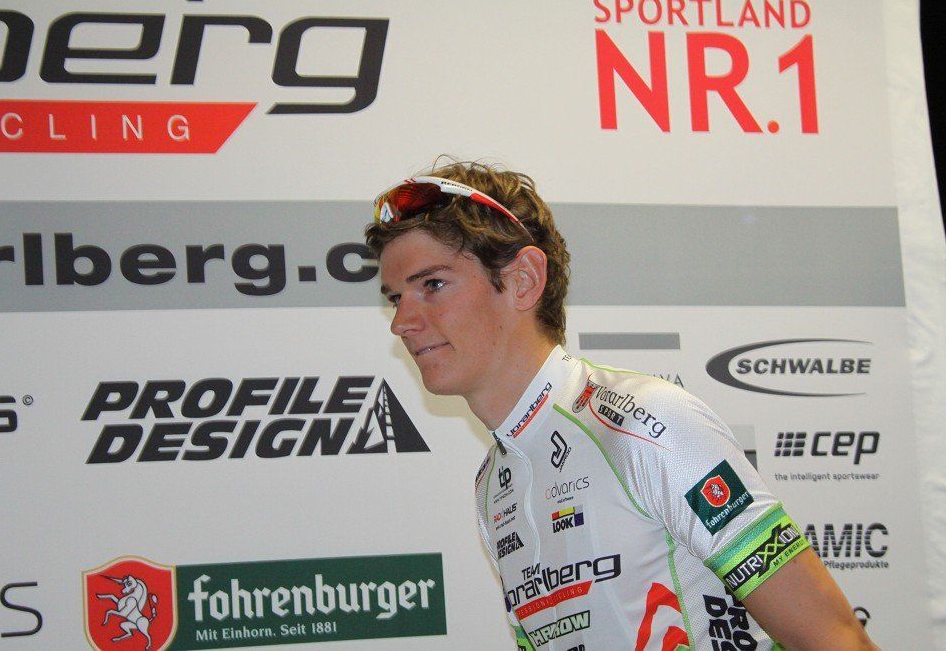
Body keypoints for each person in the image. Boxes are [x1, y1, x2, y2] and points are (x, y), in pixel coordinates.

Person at [365, 160, 877, 650]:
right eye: (395, 298)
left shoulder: (647, 424)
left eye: (432, 285)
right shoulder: (492, 486)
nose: (402, 323)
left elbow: (837, 641)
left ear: (523, 280)